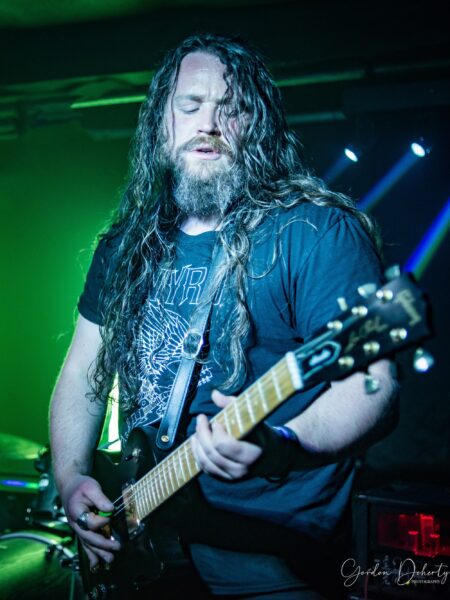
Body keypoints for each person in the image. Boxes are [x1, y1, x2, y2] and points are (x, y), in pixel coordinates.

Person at [49, 33, 397, 599]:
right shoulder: (127, 244)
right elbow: (81, 372)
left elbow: (373, 385)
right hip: (145, 533)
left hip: (271, 554)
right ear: (161, 121)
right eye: (190, 106)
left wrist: (283, 442)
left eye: (231, 109)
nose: (208, 124)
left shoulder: (315, 232)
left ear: (258, 125)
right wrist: (71, 478)